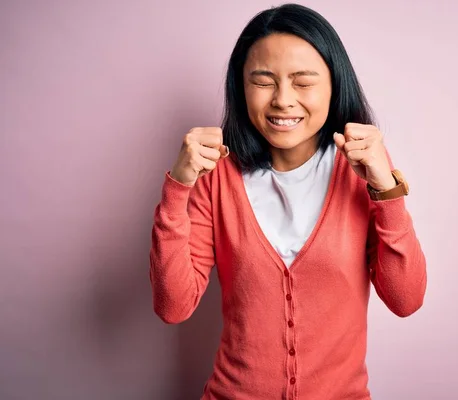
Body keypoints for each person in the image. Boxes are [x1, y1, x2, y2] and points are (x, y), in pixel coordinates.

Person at [149, 3, 427, 399]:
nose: (282, 99)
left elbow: (406, 300)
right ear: (240, 86)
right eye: (262, 81)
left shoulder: (360, 172)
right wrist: (179, 186)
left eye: (303, 81)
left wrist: (387, 192)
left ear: (334, 83)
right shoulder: (216, 177)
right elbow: (172, 306)